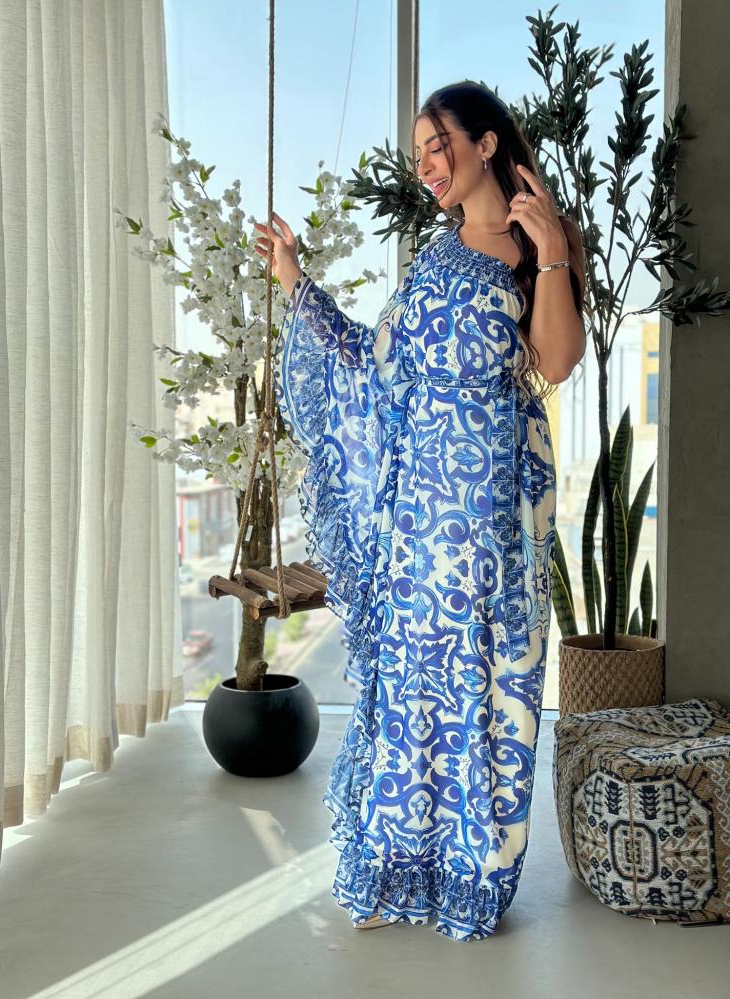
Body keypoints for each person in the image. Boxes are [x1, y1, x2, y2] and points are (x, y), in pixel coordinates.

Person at [253, 80, 586, 942]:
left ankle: (471, 877)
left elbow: (556, 361)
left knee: (477, 690)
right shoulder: (434, 257)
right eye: (419, 153)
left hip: (487, 518)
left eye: (438, 144)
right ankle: (399, 867)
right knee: (409, 690)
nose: (427, 164)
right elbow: (373, 363)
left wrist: (552, 252)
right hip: (414, 523)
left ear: (484, 143)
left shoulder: (531, 246)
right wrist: (296, 281)